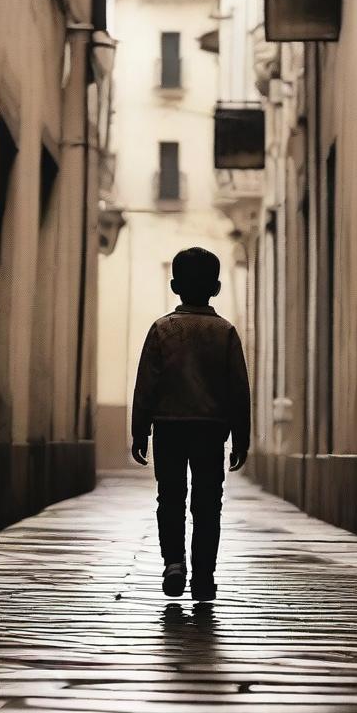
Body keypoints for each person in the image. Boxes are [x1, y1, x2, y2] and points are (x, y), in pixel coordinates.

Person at [130, 246, 250, 601]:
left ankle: (173, 564)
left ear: (173, 285)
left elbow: (146, 384)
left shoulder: (161, 330)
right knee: (208, 503)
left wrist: (140, 430)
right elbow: (238, 389)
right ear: (216, 288)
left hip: (168, 427)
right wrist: (241, 437)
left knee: (170, 498)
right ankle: (204, 576)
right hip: (211, 429)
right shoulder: (225, 333)